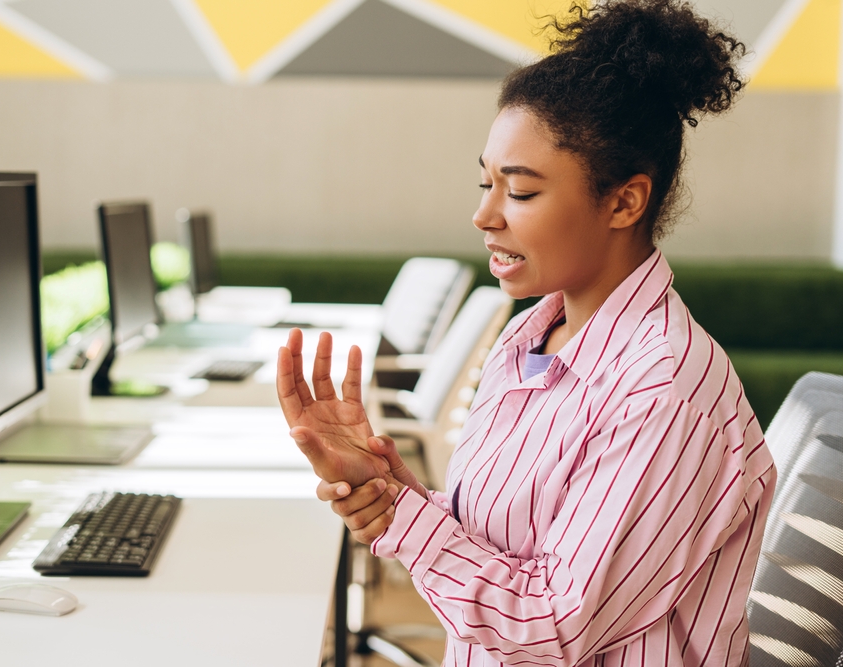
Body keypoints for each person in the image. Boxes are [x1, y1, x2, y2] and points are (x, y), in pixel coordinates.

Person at [276, 1, 775, 664]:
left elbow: (551, 625)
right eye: (485, 182)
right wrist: (389, 490)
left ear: (624, 201)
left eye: (519, 191)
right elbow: (504, 544)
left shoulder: (663, 390)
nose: (484, 215)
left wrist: (404, 519)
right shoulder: (529, 340)